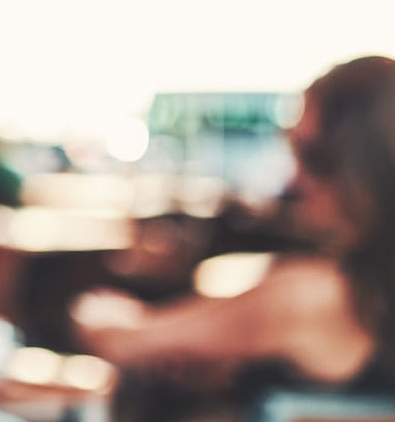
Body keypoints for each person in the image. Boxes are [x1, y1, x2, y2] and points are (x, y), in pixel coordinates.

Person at [75, 56, 395, 390]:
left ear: (370, 166)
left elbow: (123, 342)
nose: (295, 178)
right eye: (293, 149)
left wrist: (103, 314)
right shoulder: (360, 300)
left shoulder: (313, 298)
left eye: (315, 155)